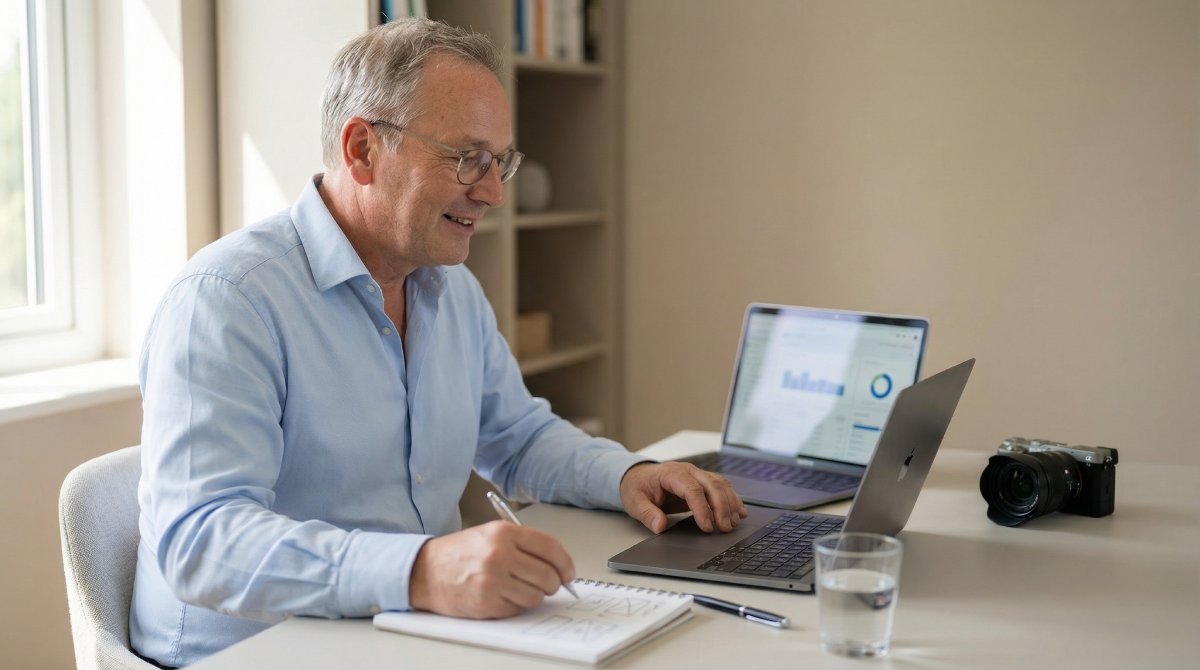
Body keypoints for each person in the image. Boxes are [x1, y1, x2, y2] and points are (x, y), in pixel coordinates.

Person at [129, 18, 747, 667]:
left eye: (500, 161)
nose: (493, 191)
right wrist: (420, 569)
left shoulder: (450, 291)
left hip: (402, 634)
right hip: (254, 650)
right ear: (362, 149)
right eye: (466, 158)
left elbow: (520, 436)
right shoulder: (226, 300)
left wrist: (628, 475)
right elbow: (200, 542)